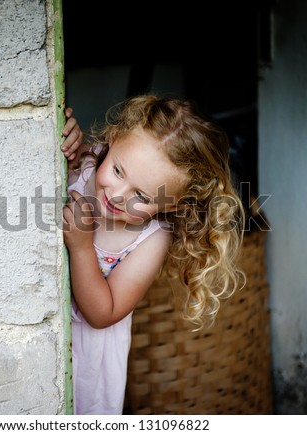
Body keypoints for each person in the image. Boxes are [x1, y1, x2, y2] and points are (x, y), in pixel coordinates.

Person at [60, 95, 245, 415]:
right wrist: (65, 143)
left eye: (142, 196)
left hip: (87, 356)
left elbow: (104, 312)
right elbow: (59, 168)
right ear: (113, 139)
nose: (118, 195)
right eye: (118, 170)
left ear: (172, 204)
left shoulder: (152, 238)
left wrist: (80, 247)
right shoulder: (90, 163)